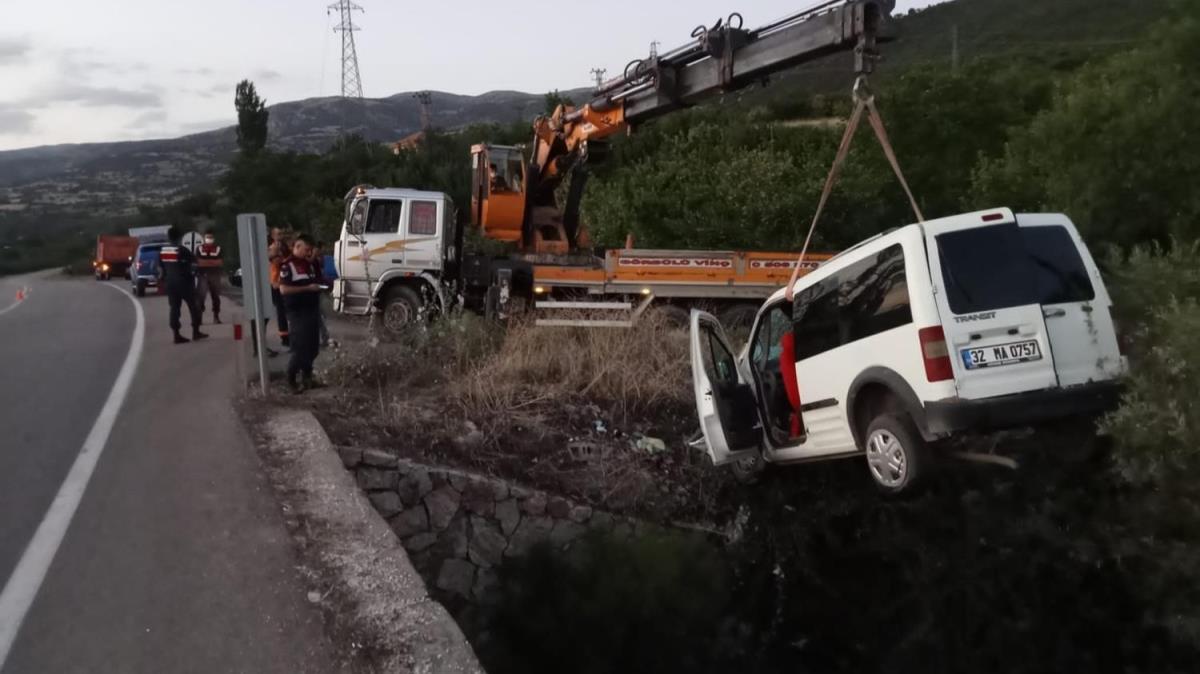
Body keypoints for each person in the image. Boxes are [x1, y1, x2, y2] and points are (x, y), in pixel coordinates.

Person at [279, 234, 324, 393]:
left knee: (313, 347)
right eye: (306, 249)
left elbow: (316, 280)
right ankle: (291, 380)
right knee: (300, 346)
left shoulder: (308, 265)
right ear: (297, 247)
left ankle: (308, 378)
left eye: (309, 250)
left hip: (311, 308)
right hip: (297, 311)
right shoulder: (288, 266)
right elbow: (283, 289)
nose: (308, 252)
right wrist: (307, 289)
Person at [158, 226, 208, 344]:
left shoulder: (163, 251)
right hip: (185, 282)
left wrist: (163, 280)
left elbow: (160, 269)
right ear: (179, 237)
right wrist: (196, 274)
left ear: (169, 237)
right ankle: (196, 332)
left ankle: (176, 335)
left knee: (174, 308)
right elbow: (195, 264)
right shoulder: (182, 250)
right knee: (194, 306)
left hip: (170, 283)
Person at [194, 230, 224, 323]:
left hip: (215, 276)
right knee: (201, 297)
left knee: (216, 297)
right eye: (208, 237)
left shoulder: (218, 248)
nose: (209, 239)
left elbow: (220, 262)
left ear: (213, 239)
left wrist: (205, 262)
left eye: (211, 237)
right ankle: (199, 317)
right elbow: (199, 263)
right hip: (202, 275)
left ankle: (216, 317)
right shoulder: (199, 249)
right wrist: (213, 262)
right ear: (204, 238)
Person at [269, 231, 290, 348]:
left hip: (286, 282)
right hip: (277, 283)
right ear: (273, 236)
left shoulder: (285, 247)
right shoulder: (272, 248)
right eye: (278, 234)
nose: (280, 236)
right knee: (281, 311)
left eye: (282, 233)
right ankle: (284, 337)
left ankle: (290, 334)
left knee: (288, 310)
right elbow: (275, 261)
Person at [310, 241, 333, 347]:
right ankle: (324, 337)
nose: (319, 252)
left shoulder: (319, 259)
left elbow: (320, 271)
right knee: (318, 315)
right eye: (318, 249)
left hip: (318, 289)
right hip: (313, 290)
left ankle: (324, 337)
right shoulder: (310, 259)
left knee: (319, 315)